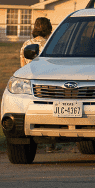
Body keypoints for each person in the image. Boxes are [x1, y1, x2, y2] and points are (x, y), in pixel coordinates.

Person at [19, 17, 59, 152]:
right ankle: (51, 143)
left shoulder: (26, 44)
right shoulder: (52, 44)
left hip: (30, 83)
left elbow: (22, 66)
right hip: (48, 82)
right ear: (49, 29)